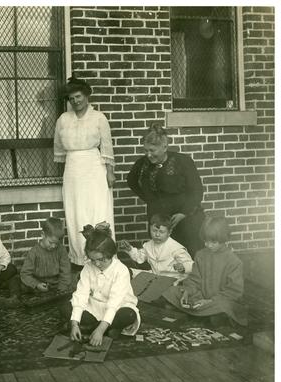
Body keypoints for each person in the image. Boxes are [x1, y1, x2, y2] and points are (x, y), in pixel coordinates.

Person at [54, 76, 115, 268]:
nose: (76, 101)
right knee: (76, 212)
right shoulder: (63, 119)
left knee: (97, 209)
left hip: (94, 167)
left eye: (78, 96)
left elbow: (107, 146)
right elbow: (59, 148)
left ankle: (103, 254)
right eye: (72, 98)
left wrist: (110, 172)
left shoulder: (99, 118)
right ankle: (81, 258)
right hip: (72, 168)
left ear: (86, 96)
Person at [127, 122, 204, 257]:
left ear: (164, 146)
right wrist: (150, 199)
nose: (149, 155)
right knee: (161, 255)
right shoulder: (142, 164)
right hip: (159, 221)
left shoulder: (183, 162)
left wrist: (183, 213)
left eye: (152, 150)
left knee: (189, 253)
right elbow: (131, 181)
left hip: (186, 218)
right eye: (146, 150)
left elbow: (197, 191)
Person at [59, 227, 140, 346]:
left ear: (111, 254)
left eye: (101, 260)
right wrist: (74, 324)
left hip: (118, 307)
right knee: (65, 307)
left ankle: (92, 329)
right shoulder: (88, 268)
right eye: (93, 260)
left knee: (129, 314)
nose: (97, 264)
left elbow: (114, 303)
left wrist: (100, 330)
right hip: (93, 307)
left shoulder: (121, 270)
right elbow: (81, 295)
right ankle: (105, 329)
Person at [162, 217, 247, 327]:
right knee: (171, 291)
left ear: (224, 239)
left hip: (217, 301)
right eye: (206, 241)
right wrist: (187, 292)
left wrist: (210, 301)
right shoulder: (200, 255)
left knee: (224, 307)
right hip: (199, 297)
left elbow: (233, 292)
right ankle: (203, 314)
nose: (208, 245)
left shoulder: (234, 262)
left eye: (213, 242)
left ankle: (201, 314)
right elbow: (194, 279)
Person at [118, 213, 193, 282]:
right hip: (156, 277)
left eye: (161, 232)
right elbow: (140, 258)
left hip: (172, 279)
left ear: (169, 232)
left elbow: (190, 264)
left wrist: (183, 267)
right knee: (131, 273)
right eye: (154, 231)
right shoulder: (148, 245)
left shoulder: (175, 248)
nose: (157, 234)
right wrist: (130, 249)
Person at [20, 217, 72, 294]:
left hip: (56, 283)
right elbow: (25, 273)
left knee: (72, 284)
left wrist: (62, 288)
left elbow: (65, 271)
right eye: (50, 242)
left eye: (56, 243)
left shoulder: (61, 250)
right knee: (23, 285)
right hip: (39, 283)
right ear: (43, 235)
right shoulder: (34, 252)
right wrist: (36, 284)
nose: (53, 246)